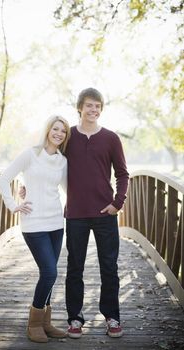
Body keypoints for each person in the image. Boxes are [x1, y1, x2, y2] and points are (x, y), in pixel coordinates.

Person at [0, 116, 71, 343]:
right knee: (50, 272)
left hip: (56, 223)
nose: (58, 133)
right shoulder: (31, 154)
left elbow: (70, 190)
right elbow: (3, 179)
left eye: (63, 131)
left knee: (49, 274)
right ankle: (34, 323)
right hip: (33, 223)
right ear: (48, 130)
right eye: (55, 129)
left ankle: (46, 323)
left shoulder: (62, 161)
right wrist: (13, 205)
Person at [65, 87, 129, 339]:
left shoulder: (111, 138)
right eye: (89, 105)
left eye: (98, 106)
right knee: (74, 268)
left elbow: (123, 174)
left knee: (109, 267)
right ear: (80, 107)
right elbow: (47, 160)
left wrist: (118, 202)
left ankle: (112, 317)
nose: (93, 110)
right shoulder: (67, 136)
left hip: (106, 213)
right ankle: (74, 318)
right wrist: (29, 186)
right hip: (76, 214)